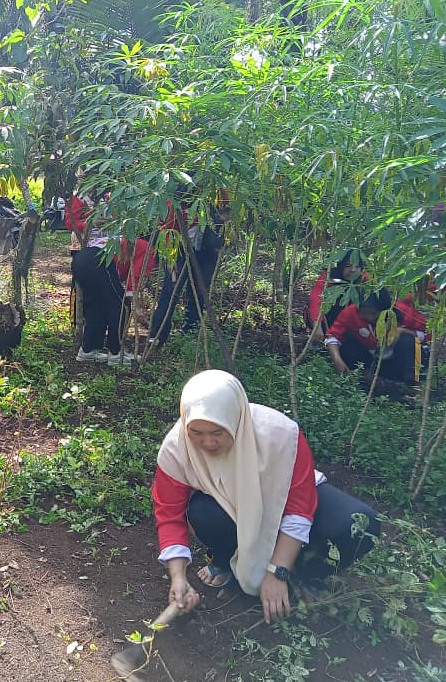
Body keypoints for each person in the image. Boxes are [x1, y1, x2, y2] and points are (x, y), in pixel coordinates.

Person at [152, 370, 380, 624]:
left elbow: (299, 508)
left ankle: (307, 574)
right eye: (196, 432)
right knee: (203, 512)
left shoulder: (281, 435)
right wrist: (178, 577)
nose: (207, 443)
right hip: (233, 509)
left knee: (359, 523)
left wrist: (277, 572)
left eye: (217, 433)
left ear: (237, 419)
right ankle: (225, 558)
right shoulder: (176, 449)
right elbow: (169, 514)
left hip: (281, 499)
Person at [148, 198, 226, 347]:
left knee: (199, 291)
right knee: (171, 290)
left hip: (206, 251)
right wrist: (170, 258)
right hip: (178, 250)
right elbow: (167, 229)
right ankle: (158, 334)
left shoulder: (213, 198)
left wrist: (220, 220)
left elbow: (225, 211)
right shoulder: (174, 203)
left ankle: (191, 330)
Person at [68, 189, 132, 364]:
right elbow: (70, 222)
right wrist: (92, 223)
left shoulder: (109, 197)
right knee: (119, 302)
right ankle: (116, 351)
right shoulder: (80, 197)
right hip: (96, 256)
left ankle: (88, 349)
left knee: (96, 304)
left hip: (86, 258)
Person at [324, 288, 426, 385]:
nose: (369, 317)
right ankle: (364, 376)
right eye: (363, 313)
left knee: (409, 341)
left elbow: (425, 335)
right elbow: (333, 335)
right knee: (347, 342)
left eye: (373, 313)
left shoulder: (402, 311)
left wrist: (402, 331)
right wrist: (337, 360)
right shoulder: (351, 312)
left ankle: (413, 383)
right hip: (370, 357)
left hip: (397, 360)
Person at [306, 249, 368, 342]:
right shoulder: (328, 277)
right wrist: (317, 327)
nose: (353, 270)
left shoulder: (364, 278)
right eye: (348, 266)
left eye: (357, 266)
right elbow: (315, 300)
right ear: (340, 266)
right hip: (329, 316)